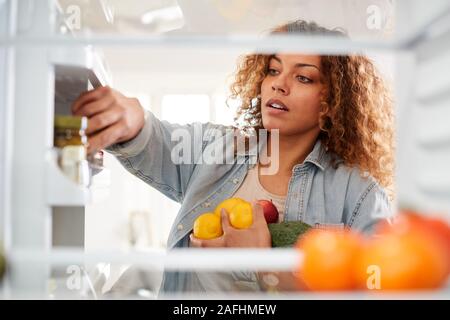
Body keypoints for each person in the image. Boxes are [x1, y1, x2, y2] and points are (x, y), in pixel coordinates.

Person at [72, 20, 395, 293]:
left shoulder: (359, 194)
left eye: (303, 77)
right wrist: (131, 118)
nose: (278, 85)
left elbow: (379, 288)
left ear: (331, 102)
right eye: (273, 70)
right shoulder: (219, 150)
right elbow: (155, 139)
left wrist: (267, 266)